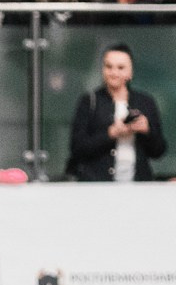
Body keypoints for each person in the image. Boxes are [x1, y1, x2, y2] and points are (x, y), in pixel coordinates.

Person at [66, 43, 166, 182]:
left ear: (130, 72)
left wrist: (146, 130)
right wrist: (111, 133)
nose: (114, 73)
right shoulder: (89, 101)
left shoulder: (145, 102)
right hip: (97, 184)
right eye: (109, 66)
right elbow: (77, 148)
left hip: (137, 184)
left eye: (121, 68)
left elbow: (159, 150)